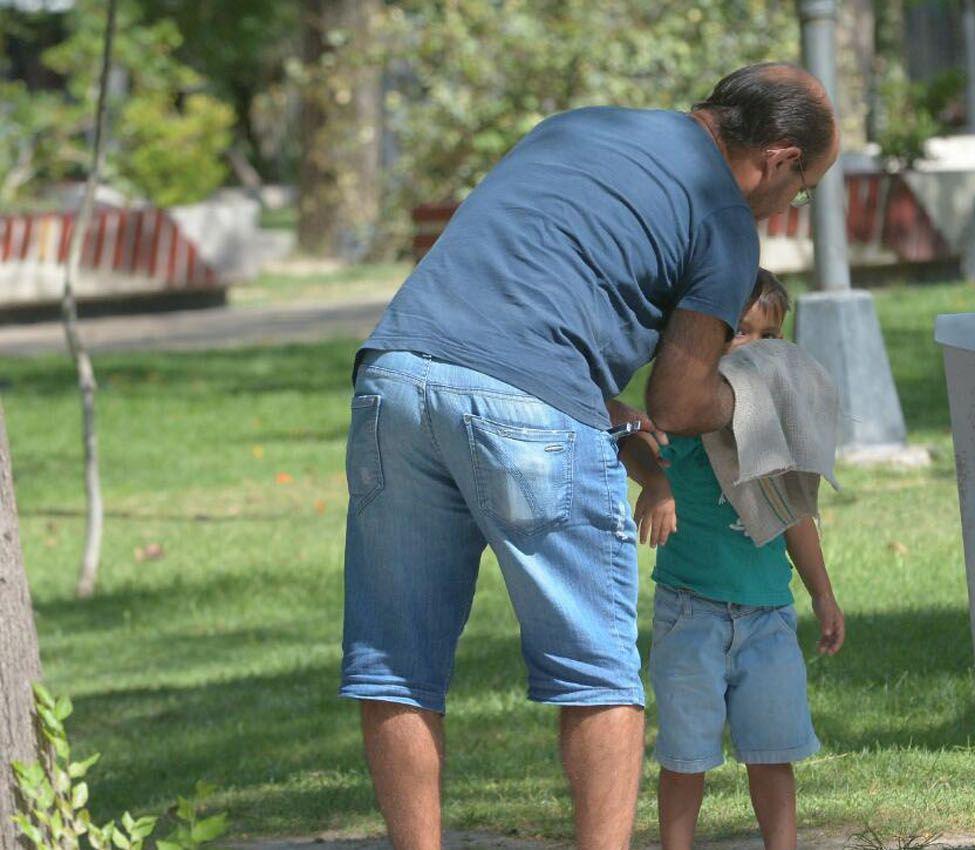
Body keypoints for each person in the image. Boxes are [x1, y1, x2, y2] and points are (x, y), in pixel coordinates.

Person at [339, 64, 839, 850]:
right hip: (526, 406)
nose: (790, 205)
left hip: (394, 374)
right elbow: (679, 401)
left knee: (396, 665)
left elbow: (518, 286)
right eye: (803, 188)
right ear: (778, 157)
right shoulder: (724, 219)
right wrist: (753, 401)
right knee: (596, 672)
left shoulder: (579, 127)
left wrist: (602, 402)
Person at [620, 270, 846, 850]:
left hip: (769, 617)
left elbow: (794, 512)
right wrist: (656, 486)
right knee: (685, 756)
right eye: (735, 331)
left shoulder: (770, 417)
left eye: (762, 337)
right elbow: (636, 436)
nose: (747, 348)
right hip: (688, 613)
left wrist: (822, 593)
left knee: (773, 753)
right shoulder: (685, 406)